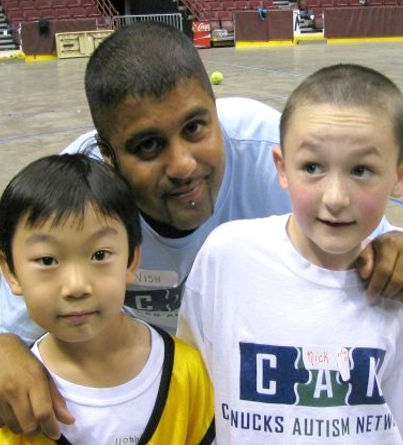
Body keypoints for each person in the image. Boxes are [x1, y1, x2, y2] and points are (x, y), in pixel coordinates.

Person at [1, 22, 403, 440]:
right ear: (108, 157)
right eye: (148, 146)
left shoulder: (276, 156)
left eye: (195, 128)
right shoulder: (80, 196)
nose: (183, 166)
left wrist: (390, 245)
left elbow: (374, 237)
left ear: (216, 108)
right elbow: (13, 306)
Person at [177, 64, 403, 444]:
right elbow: (189, 382)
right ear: (282, 169)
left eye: (361, 170)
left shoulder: (395, 283)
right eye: (312, 167)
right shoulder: (226, 256)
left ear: (397, 177)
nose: (335, 198)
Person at [0, 153, 215, 445]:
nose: (76, 286)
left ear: (131, 260)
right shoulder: (13, 397)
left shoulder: (186, 373)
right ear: (11, 272)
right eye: (47, 260)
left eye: (100, 255)